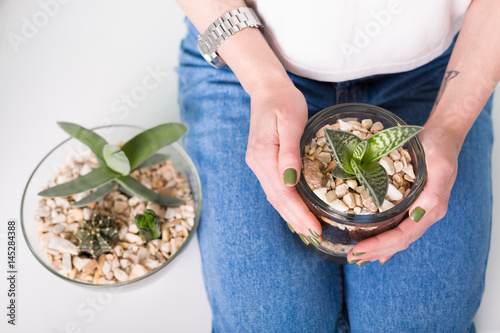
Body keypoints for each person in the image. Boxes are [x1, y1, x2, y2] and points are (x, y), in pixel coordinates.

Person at [175, 0, 499, 331]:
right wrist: (264, 83)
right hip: (246, 47)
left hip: (439, 64)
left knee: (418, 323)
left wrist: (450, 126)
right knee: (273, 322)